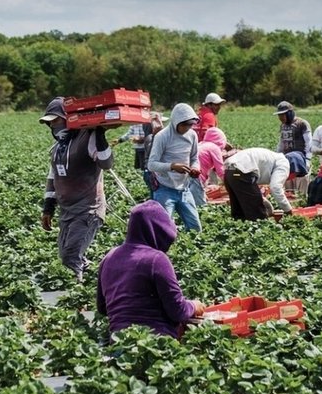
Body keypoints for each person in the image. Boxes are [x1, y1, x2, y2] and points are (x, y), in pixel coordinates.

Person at [96, 200, 205, 339]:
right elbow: (178, 311)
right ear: (158, 231)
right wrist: (193, 306)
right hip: (155, 344)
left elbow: (102, 307)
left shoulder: (109, 258)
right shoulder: (156, 259)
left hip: (119, 342)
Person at [39, 97, 114, 283]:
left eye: (55, 121)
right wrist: (48, 207)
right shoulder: (58, 148)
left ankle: (78, 292)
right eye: (49, 123)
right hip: (67, 210)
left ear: (67, 118)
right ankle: (97, 277)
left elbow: (106, 163)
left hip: (88, 209)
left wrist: (100, 135)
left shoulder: (87, 137)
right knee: (66, 254)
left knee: (70, 256)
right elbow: (52, 177)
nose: (52, 126)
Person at [147, 103, 202, 232]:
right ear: (176, 121)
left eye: (190, 124)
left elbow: (194, 158)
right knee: (163, 229)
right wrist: (172, 166)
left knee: (195, 228)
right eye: (185, 124)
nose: (188, 128)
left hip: (184, 189)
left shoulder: (192, 135)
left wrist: (195, 168)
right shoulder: (162, 136)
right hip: (164, 188)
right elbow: (151, 164)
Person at [223, 147, 304, 220]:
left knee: (239, 210)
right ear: (296, 170)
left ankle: (239, 231)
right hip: (241, 171)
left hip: (231, 171)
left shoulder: (274, 158)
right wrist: (288, 210)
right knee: (257, 213)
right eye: (296, 175)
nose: (293, 178)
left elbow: (249, 187)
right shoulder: (285, 164)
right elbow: (275, 187)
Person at [274, 101, 312, 194]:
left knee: (301, 188)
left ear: (290, 113)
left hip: (300, 160)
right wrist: (276, 156)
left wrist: (308, 160)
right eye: (279, 115)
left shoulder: (302, 124)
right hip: (287, 161)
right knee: (288, 189)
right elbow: (281, 143)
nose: (280, 118)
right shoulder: (283, 125)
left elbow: (309, 143)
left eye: (283, 115)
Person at [192, 127, 228, 207]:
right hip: (196, 176)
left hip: (186, 174)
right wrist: (230, 185)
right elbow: (221, 171)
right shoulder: (214, 148)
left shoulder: (201, 144)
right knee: (201, 206)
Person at [142, 112, 168, 197]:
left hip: (152, 172)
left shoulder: (153, 137)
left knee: (156, 194)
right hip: (152, 173)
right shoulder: (151, 138)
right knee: (157, 196)